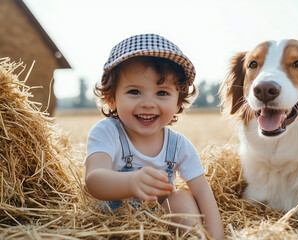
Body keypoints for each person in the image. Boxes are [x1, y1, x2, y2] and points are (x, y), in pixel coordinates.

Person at [84, 33, 224, 239]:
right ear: (111, 98)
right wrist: (131, 183)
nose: (148, 103)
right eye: (134, 91)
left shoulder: (177, 145)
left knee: (182, 198)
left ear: (178, 102)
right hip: (112, 225)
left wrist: (216, 237)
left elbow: (203, 192)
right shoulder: (107, 132)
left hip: (161, 222)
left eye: (162, 93)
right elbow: (94, 180)